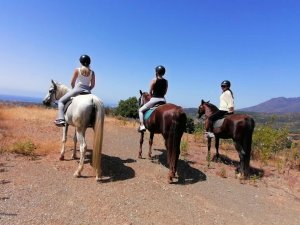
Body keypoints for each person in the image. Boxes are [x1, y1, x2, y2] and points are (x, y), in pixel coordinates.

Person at [54, 54, 95, 126]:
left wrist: (74, 89)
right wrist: (88, 89)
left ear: (81, 62)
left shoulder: (77, 70)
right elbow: (92, 85)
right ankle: (91, 121)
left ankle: (61, 119)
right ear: (89, 63)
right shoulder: (92, 72)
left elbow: (72, 82)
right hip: (88, 91)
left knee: (60, 101)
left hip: (77, 89)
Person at [138, 65, 168, 132]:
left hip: (155, 100)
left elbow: (150, 92)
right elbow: (165, 92)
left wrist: (151, 96)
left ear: (156, 72)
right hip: (163, 100)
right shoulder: (166, 81)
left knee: (140, 110)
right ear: (163, 73)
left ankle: (142, 126)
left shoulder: (154, 80)